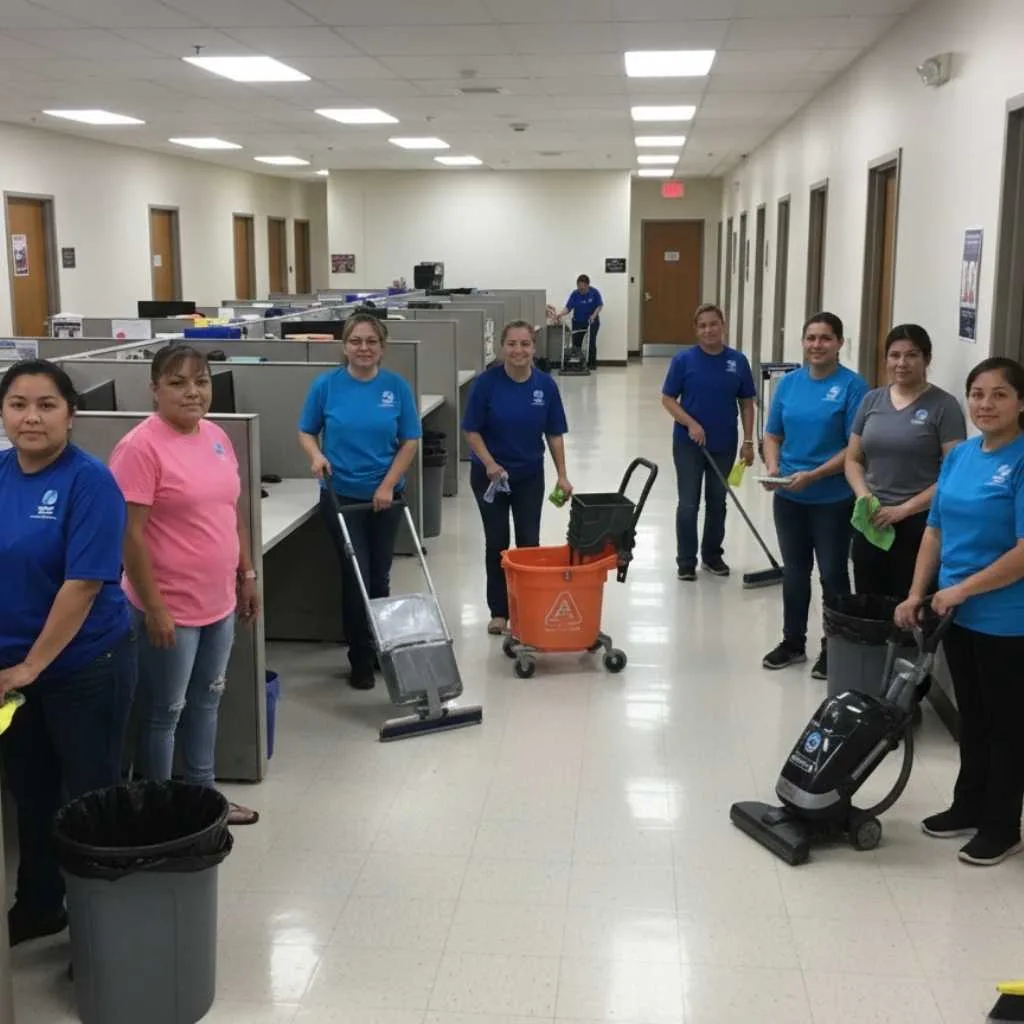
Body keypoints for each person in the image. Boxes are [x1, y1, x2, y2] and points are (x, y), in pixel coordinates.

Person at [0, 359, 136, 946]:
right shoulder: (0, 472)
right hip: (14, 673)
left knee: (90, 800)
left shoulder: (90, 482)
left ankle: (100, 930)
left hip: (83, 667)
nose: (31, 417)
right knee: (30, 795)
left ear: (71, 415)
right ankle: (39, 907)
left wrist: (31, 666)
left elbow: (81, 586)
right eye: (17, 404)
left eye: (46, 405)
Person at [110, 345, 259, 827]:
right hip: (169, 606)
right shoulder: (140, 447)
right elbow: (129, 536)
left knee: (207, 700)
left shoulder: (216, 436)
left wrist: (247, 572)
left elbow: (230, 511)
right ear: (155, 389)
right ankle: (163, 813)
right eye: (177, 382)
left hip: (219, 600)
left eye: (202, 381)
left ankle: (203, 799)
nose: (193, 392)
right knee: (165, 712)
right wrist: (154, 607)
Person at [896, 357, 1024, 867]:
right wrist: (916, 593)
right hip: (955, 614)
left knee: (1006, 725)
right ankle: (968, 805)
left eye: (999, 394)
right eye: (977, 394)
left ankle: (1002, 826)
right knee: (972, 716)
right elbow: (935, 530)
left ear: (1021, 403)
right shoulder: (962, 456)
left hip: (1007, 619)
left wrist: (963, 590)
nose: (985, 404)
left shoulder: (1021, 460)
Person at [298, 313, 421, 689]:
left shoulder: (396, 387)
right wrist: (316, 456)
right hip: (342, 494)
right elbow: (306, 431)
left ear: (382, 348)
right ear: (345, 346)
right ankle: (360, 658)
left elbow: (410, 441)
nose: (363, 348)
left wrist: (387, 486)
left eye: (371, 342)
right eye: (356, 341)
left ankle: (380, 645)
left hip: (386, 495)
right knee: (357, 577)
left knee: (379, 575)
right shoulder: (326, 386)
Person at [761, 312, 869, 679]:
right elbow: (772, 434)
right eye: (811, 338)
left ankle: (834, 647)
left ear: (839, 343)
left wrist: (815, 475)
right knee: (794, 572)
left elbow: (855, 447)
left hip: (832, 499)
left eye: (825, 338)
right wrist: (774, 468)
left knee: (833, 573)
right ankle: (793, 642)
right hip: (789, 498)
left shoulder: (853, 386)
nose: (817, 345)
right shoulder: (790, 384)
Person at [463, 320, 572, 634]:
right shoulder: (486, 384)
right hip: (490, 477)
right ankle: (499, 611)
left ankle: (526, 607)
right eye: (511, 344)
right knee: (497, 542)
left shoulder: (545, 386)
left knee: (528, 543)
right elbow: (471, 430)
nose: (518, 350)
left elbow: (554, 433)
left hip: (528, 476)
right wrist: (489, 463)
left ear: (534, 348)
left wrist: (562, 475)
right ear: (502, 347)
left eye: (525, 344)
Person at [846, 324, 965, 598]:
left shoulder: (943, 406)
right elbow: (853, 459)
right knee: (868, 602)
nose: (902, 363)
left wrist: (904, 509)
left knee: (910, 605)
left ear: (927, 359)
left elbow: (954, 473)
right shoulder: (871, 400)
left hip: (920, 523)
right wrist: (864, 496)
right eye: (895, 355)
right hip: (872, 519)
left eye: (912, 355)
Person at [660, 303, 756, 581]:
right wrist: (690, 423)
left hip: (724, 442)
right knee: (688, 504)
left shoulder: (737, 361)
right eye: (702, 326)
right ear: (696, 330)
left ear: (722, 325)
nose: (708, 330)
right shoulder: (684, 360)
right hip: (689, 443)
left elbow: (746, 403)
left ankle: (712, 556)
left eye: (713, 324)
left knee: (718, 501)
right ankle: (686, 561)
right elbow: (668, 399)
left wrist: (748, 441)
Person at [557, 274, 603, 370]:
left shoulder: (594, 292)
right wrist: (560, 314)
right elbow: (568, 307)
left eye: (582, 288)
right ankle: (578, 363)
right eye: (579, 287)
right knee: (576, 344)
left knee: (591, 341)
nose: (581, 290)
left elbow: (599, 305)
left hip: (591, 321)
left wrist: (593, 316)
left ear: (587, 285)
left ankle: (592, 364)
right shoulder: (575, 294)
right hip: (577, 321)